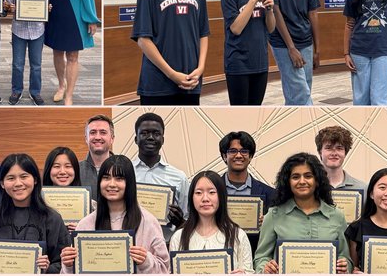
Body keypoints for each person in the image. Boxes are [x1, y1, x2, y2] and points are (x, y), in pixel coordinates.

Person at [60, 155, 170, 274]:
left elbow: (165, 269)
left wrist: (146, 261)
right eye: (106, 178)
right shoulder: (85, 224)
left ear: (130, 183)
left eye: (119, 178)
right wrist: (69, 265)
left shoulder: (148, 221)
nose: (112, 184)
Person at [253, 153, 352, 273]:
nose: (302, 181)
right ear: (287, 182)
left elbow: (345, 257)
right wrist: (265, 268)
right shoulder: (273, 215)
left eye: (308, 176)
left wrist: (343, 265)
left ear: (317, 180)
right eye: (295, 177)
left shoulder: (337, 216)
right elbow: (261, 257)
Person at [0, 154, 69, 274]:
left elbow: (64, 263)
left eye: (24, 176)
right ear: (2, 183)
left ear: (35, 180)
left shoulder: (52, 218)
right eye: (11, 178)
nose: (18, 183)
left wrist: (46, 268)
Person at [35, 0, 100, 106]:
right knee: (58, 52)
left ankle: (69, 95)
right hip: (55, 18)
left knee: (72, 55)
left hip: (75, 18)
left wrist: (91, 19)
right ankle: (61, 86)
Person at [221, 0, 276, 105]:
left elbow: (271, 28)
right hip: (238, 64)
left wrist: (270, 9)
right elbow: (236, 28)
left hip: (260, 62)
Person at [169, 171, 254, 273]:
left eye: (212, 192)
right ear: (191, 198)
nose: (205, 199)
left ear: (221, 196)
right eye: (198, 193)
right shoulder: (178, 237)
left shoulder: (238, 235)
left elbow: (249, 271)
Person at [133, 113, 190, 241]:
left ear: (163, 140)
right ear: (136, 139)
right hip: (131, 245)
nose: (151, 137)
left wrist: (180, 220)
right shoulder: (124, 173)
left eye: (156, 134)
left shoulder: (179, 177)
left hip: (166, 244)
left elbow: (188, 220)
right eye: (144, 133)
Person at [7, 0, 47, 105]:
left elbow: (44, 7)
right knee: (17, 64)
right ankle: (16, 90)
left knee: (36, 65)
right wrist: (10, 8)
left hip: (37, 30)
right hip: (19, 31)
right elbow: (9, 7)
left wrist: (47, 8)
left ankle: (35, 92)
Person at [316, 125, 366, 190]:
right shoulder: (311, 187)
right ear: (320, 152)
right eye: (328, 148)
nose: (334, 153)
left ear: (345, 152)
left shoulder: (362, 188)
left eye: (339, 148)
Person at [80, 114, 115, 203]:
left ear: (112, 139)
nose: (98, 137)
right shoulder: (75, 170)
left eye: (103, 132)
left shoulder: (125, 170)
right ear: (86, 139)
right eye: (93, 132)